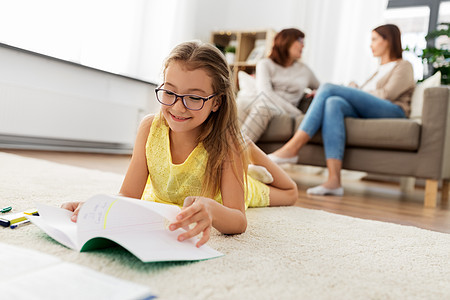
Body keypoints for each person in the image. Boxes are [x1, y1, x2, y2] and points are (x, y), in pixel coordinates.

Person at [62, 41, 298, 247]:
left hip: (229, 183)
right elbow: (127, 195)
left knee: (289, 193)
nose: (177, 107)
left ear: (216, 102)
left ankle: (249, 152)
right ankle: (247, 157)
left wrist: (213, 210)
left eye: (194, 97)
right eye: (169, 92)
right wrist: (96, 207)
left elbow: (238, 219)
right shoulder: (149, 128)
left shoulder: (227, 145)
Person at [268, 24, 416, 196]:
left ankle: (292, 148)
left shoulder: (404, 66)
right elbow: (369, 94)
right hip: (374, 108)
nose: (371, 45)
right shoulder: (378, 71)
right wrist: (354, 89)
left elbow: (387, 94)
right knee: (333, 103)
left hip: (394, 111)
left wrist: (355, 92)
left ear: (388, 40)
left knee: (329, 88)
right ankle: (334, 181)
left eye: (374, 39)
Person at [237, 28, 320, 142]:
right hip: (264, 102)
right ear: (287, 42)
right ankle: (220, 151)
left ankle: (235, 154)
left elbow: (323, 88)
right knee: (241, 102)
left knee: (263, 108)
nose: (303, 46)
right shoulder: (265, 64)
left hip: (282, 111)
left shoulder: (305, 71)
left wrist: (318, 92)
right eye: (300, 41)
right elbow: (264, 93)